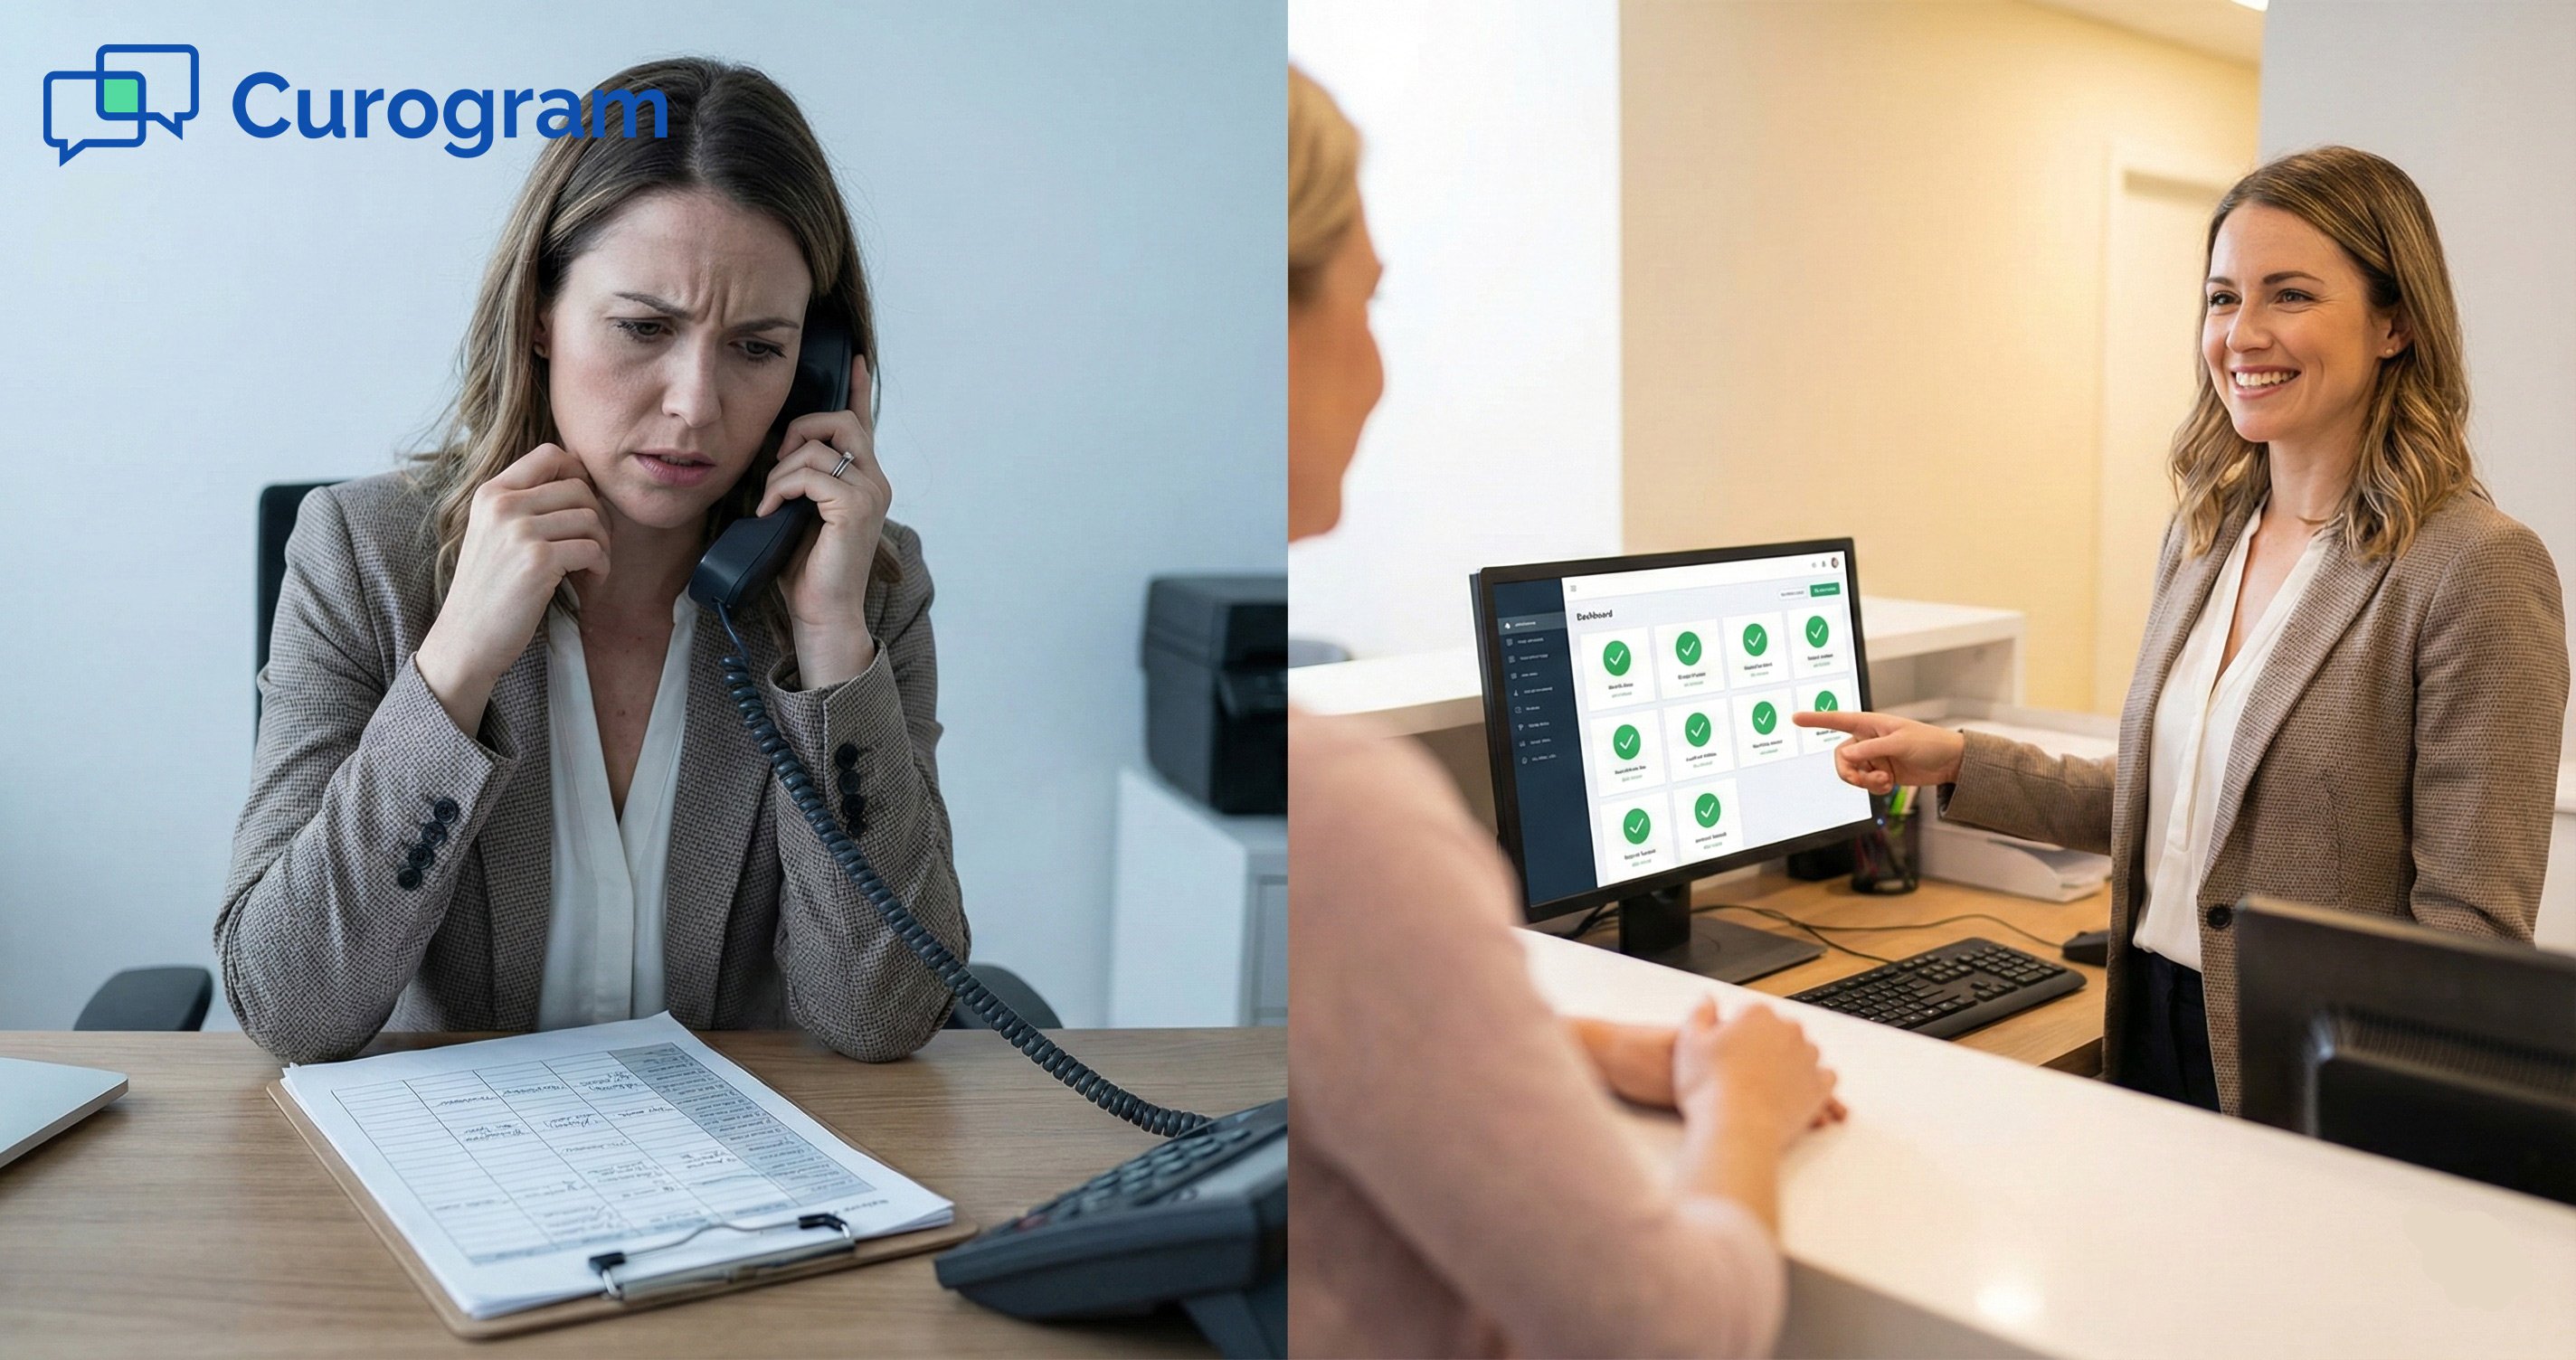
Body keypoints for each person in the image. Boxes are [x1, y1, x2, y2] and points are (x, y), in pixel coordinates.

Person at [216, 58, 965, 1066]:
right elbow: (286, 1007)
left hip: (746, 1156)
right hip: (451, 1154)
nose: (695, 404)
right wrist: (455, 666)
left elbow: (881, 1017)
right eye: (644, 328)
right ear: (540, 315)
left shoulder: (864, 585)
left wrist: (831, 645)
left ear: (818, 369)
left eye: (756, 348)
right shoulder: (363, 556)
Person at [1797, 146, 2567, 1114]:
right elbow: (2170, 806)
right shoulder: (2205, 534)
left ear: (2394, 322)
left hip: (2314, 1064)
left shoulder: (2474, 567)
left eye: (2290, 295)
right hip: (2151, 1023)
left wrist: (2383, 1135)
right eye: (2221, 298)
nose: (2242, 334)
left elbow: (2470, 933)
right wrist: (1954, 759)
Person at [1288, 66, 1844, 1359]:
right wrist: (1745, 1106)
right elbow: (1668, 1333)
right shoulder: (1350, 815)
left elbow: (1350, 1045)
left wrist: (1565, 1047)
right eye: (1367, 302)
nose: (1379, 370)